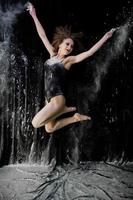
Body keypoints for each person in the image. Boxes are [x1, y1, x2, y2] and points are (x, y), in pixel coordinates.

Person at [27, 2, 116, 133]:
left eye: (71, 46)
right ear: (60, 44)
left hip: (57, 100)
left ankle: (63, 109)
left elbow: (89, 52)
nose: (69, 48)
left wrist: (105, 37)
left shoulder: (68, 61)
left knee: (35, 123)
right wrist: (34, 15)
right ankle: (74, 118)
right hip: (48, 99)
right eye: (67, 44)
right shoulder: (52, 53)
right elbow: (42, 35)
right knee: (49, 128)